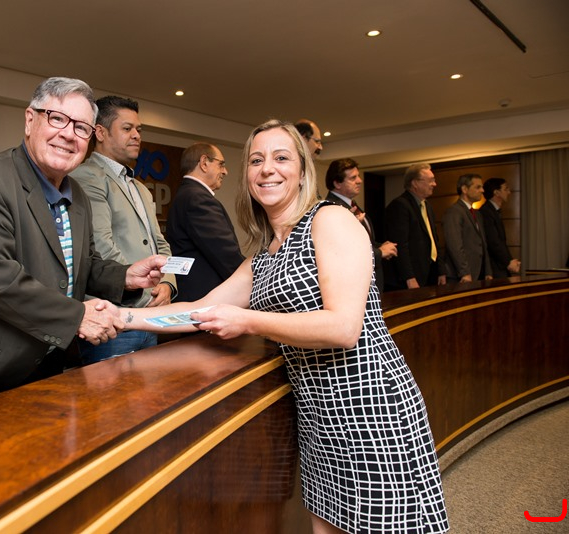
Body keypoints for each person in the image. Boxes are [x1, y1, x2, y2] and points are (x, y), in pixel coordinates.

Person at [120, 120, 449, 534]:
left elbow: (343, 327)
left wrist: (247, 320)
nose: (267, 169)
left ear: (303, 170)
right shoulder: (264, 254)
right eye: (256, 160)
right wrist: (120, 317)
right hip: (317, 417)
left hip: (370, 409)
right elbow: (199, 310)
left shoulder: (330, 219)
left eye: (281, 158)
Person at [0, 78, 166, 397]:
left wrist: (126, 277)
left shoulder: (77, 194)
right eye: (57, 118)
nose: (68, 134)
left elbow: (82, 265)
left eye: (81, 128)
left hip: (37, 373)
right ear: (29, 120)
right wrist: (78, 316)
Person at [70, 95, 176, 364]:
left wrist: (167, 284)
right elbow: (102, 247)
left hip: (150, 315)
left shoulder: (140, 187)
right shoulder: (86, 177)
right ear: (100, 133)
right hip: (113, 317)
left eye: (138, 129)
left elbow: (160, 244)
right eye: (127, 128)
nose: (136, 135)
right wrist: (145, 293)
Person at [166, 142, 244, 301]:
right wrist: (253, 283)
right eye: (221, 164)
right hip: (203, 297)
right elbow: (225, 253)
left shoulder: (186, 194)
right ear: (204, 163)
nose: (225, 171)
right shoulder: (198, 198)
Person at [324, 158, 396, 292]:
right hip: (354, 286)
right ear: (337, 183)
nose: (359, 181)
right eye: (353, 178)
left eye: (358, 176)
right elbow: (344, 250)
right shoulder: (332, 208)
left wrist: (380, 246)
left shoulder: (351, 205)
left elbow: (364, 241)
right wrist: (380, 252)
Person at [384, 163, 447, 290]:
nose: (434, 184)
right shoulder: (400, 206)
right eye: (430, 180)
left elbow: (434, 239)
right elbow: (401, 244)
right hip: (412, 277)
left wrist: (440, 270)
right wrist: (409, 277)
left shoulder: (427, 206)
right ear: (415, 183)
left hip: (431, 272)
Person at [442, 173, 493, 283]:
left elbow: (483, 244)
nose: (482, 190)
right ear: (464, 189)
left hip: (479, 273)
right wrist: (464, 272)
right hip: (461, 276)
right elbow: (455, 245)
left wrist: (488, 271)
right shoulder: (454, 211)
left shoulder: (477, 214)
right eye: (478, 187)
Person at [480, 177, 521, 278]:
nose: (509, 192)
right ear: (496, 192)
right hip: (493, 267)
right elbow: (493, 241)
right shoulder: (486, 211)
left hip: (499, 266)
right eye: (506, 189)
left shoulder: (493, 210)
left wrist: (510, 260)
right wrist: (509, 262)